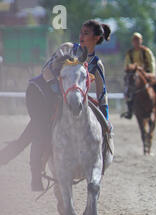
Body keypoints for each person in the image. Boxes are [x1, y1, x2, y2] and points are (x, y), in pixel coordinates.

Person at [0, 20, 112, 191]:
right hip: (40, 92)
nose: (81, 36)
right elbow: (46, 71)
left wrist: (105, 120)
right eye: (81, 32)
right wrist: (61, 92)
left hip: (69, 98)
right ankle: (35, 174)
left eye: (86, 33)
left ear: (97, 38)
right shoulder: (67, 48)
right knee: (40, 129)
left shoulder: (97, 64)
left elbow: (102, 94)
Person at [121, 32, 156, 119]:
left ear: (141, 41)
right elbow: (127, 65)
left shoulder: (146, 51)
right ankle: (129, 111)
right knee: (128, 91)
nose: (136, 42)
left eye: (138, 40)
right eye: (134, 40)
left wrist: (151, 74)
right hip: (135, 76)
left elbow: (152, 63)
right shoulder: (129, 53)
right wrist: (130, 71)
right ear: (132, 42)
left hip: (147, 75)